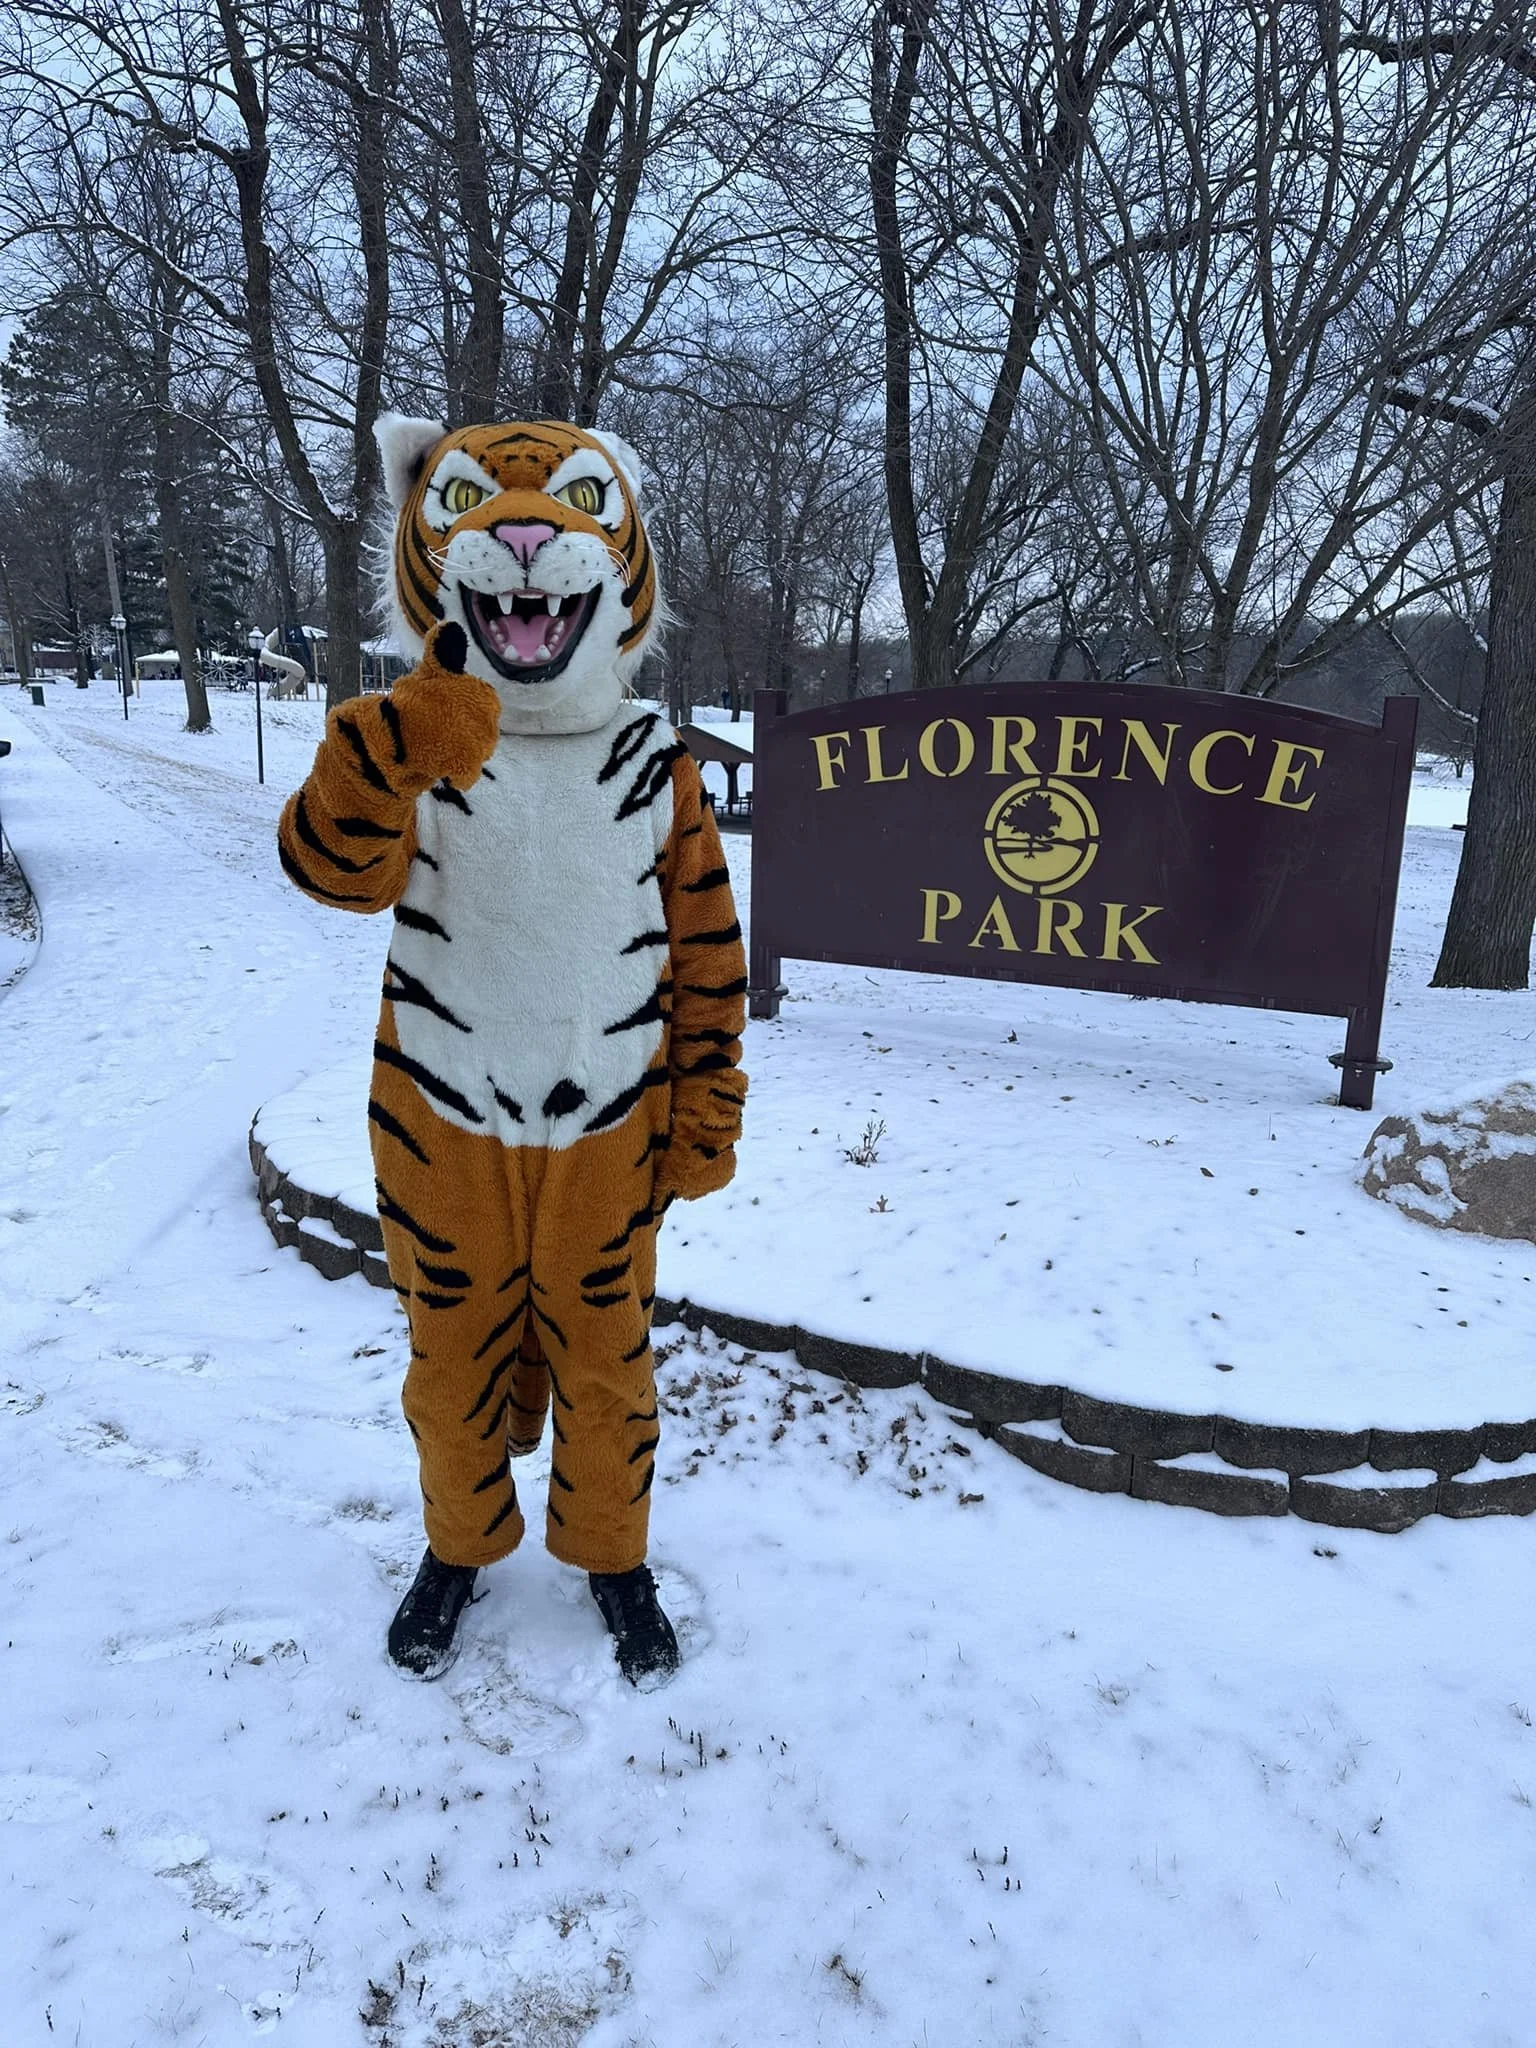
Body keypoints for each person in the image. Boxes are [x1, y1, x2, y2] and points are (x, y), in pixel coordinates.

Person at [277, 414, 747, 1685]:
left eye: (577, 509)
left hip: (609, 1122)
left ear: (625, 556)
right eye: (479, 508)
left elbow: (706, 957)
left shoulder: (660, 762)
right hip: (443, 1117)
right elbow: (332, 872)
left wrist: (709, 1108)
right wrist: (376, 760)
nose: (528, 537)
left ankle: (612, 1553)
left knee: (609, 1360)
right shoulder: (421, 734)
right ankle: (456, 1545)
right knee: (450, 1358)